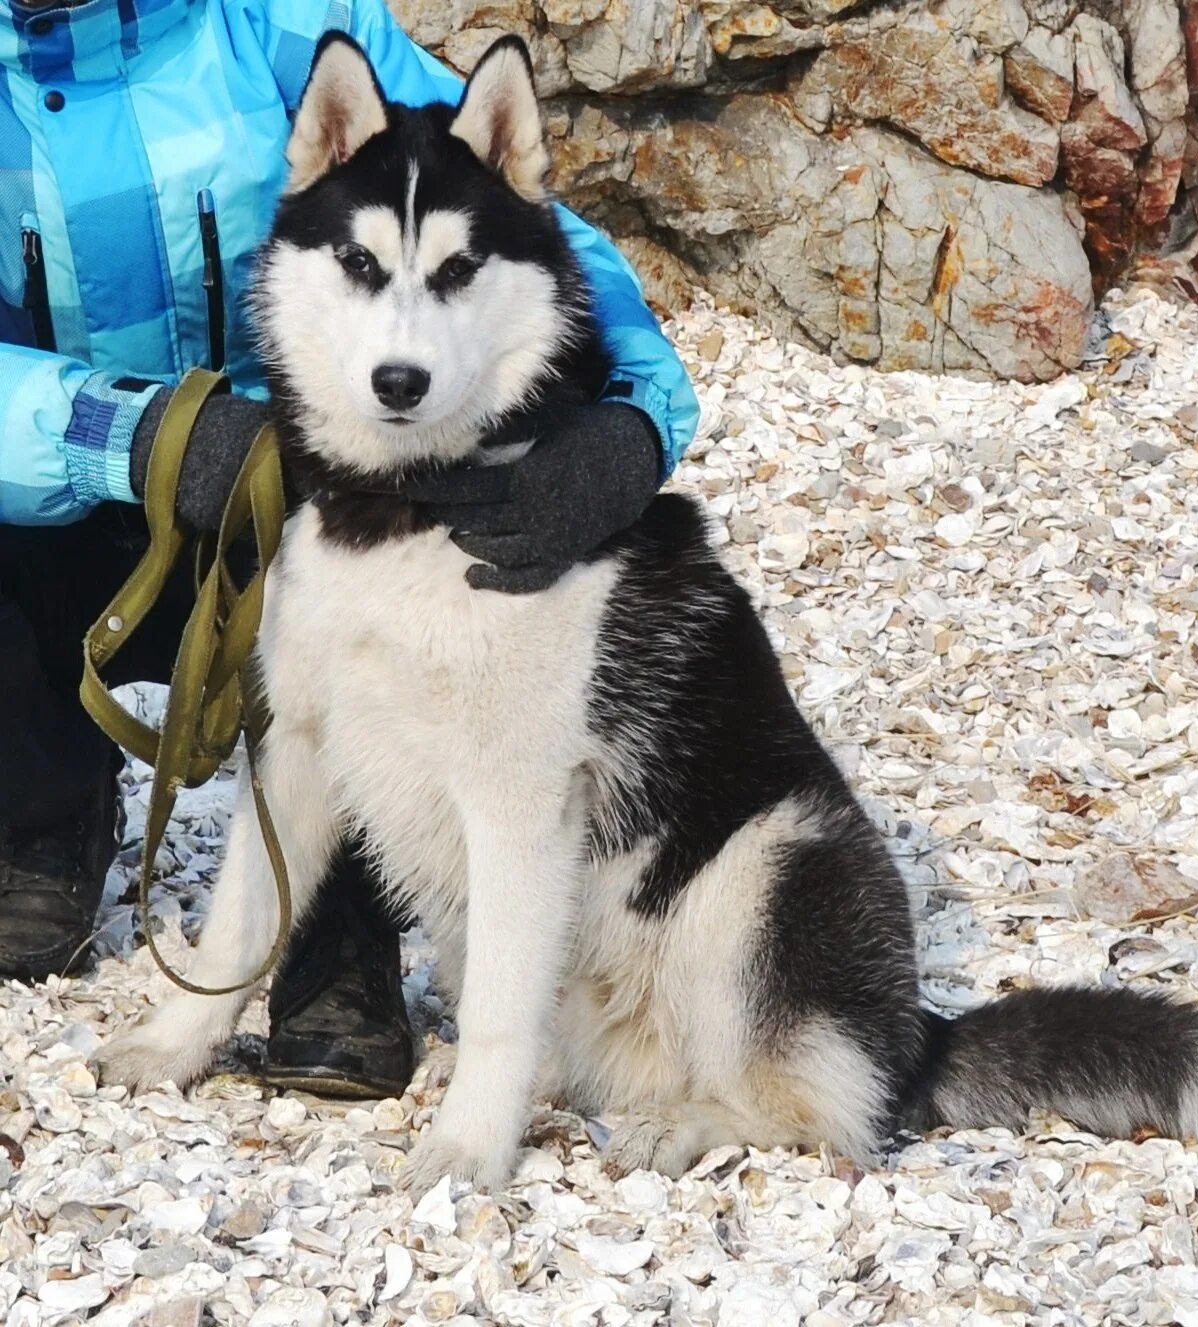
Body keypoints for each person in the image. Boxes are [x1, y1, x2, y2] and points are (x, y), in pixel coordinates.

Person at [0, 0, 699, 1098]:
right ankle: (37, 810)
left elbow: (503, 209)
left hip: (284, 482)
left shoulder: (277, 25)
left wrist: (638, 412)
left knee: (361, 682)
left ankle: (340, 948)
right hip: (62, 489)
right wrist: (132, 434)